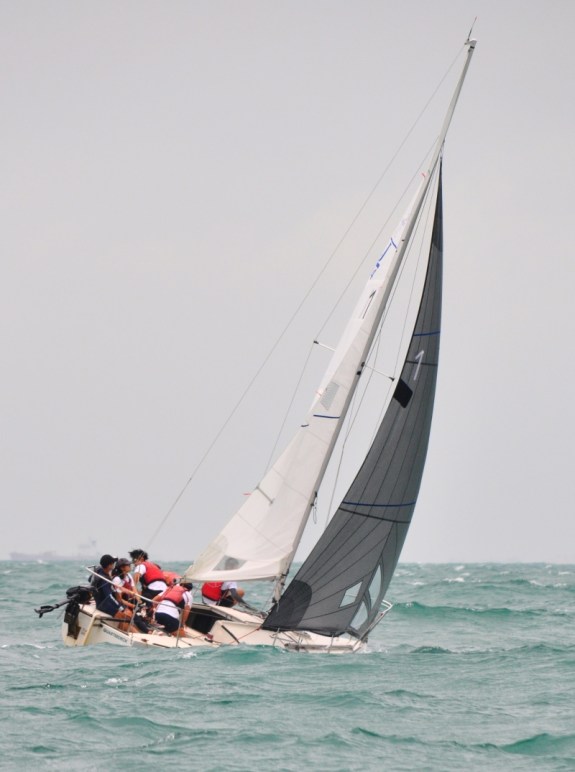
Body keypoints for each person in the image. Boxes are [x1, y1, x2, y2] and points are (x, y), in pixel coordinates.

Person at [91, 554, 132, 631]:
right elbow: (109, 597)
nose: (114, 564)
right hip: (103, 605)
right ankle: (122, 633)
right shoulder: (104, 579)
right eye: (112, 563)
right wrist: (121, 608)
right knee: (125, 616)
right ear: (109, 565)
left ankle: (124, 630)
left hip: (104, 602)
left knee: (128, 613)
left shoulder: (100, 571)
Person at [129, 549, 167, 613]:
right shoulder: (154, 565)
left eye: (134, 560)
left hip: (153, 591)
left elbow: (133, 583)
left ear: (141, 558)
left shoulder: (141, 566)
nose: (133, 563)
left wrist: (132, 594)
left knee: (132, 602)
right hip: (164, 591)